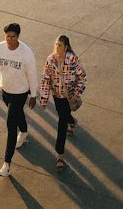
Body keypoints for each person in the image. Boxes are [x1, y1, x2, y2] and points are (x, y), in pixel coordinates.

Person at [0, 22, 39, 178]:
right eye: (7, 36)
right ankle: (25, 131)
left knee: (11, 124)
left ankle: (7, 164)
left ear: (18, 37)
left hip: (20, 93)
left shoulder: (26, 53)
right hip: (5, 91)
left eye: (13, 37)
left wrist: (33, 94)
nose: (10, 40)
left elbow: (32, 74)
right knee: (17, 114)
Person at [39, 34, 87, 174]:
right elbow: (45, 78)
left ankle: (60, 155)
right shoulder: (51, 59)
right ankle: (72, 121)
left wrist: (76, 94)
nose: (56, 47)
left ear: (66, 47)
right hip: (57, 95)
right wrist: (44, 99)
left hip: (69, 96)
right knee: (64, 116)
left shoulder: (72, 59)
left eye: (59, 45)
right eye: (55, 44)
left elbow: (82, 77)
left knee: (61, 122)